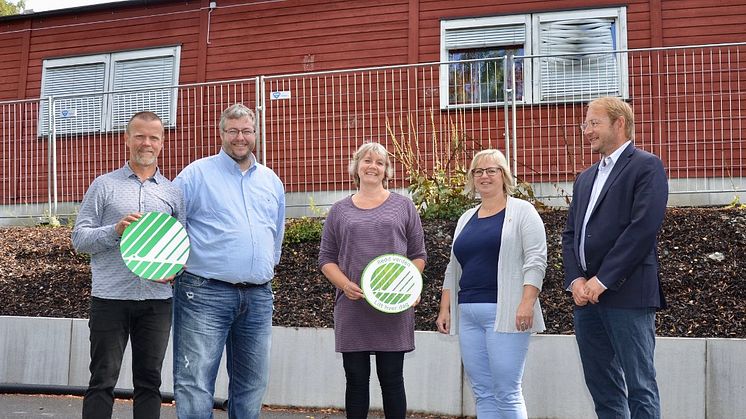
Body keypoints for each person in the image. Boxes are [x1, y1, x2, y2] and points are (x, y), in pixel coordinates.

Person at [171, 103, 286, 418]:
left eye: (246, 131)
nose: (240, 137)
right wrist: (170, 263)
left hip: (259, 296)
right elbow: (170, 222)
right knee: (195, 380)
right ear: (221, 134)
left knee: (252, 383)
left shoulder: (271, 181)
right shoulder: (196, 174)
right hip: (204, 292)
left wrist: (264, 268)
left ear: (255, 134)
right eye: (233, 130)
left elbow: (275, 234)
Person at [72, 111, 184, 419]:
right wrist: (115, 230)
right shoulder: (104, 186)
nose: (146, 143)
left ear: (162, 143)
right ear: (126, 139)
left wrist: (175, 268)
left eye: (153, 137)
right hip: (110, 299)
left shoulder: (172, 192)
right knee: (102, 380)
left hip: (156, 302)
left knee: (149, 382)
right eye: (139, 136)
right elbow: (79, 239)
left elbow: (181, 244)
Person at [562, 96, 668, 419]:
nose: (587, 131)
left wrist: (603, 279)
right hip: (587, 301)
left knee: (640, 387)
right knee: (603, 388)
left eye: (594, 123)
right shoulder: (585, 179)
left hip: (628, 295)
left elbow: (642, 230)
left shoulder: (646, 166)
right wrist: (576, 280)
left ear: (619, 124)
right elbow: (570, 236)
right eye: (585, 124)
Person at [435, 149, 547, 419]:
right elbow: (454, 266)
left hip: (506, 311)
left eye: (491, 170)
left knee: (507, 391)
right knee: (482, 391)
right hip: (468, 314)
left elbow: (536, 260)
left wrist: (526, 304)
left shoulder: (522, 211)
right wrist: (445, 308)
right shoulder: (466, 218)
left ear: (504, 175)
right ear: (472, 178)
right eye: (478, 171)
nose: (484, 176)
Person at [318, 142, 427, 419]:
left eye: (379, 162)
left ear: (386, 170)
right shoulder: (339, 211)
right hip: (353, 307)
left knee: (392, 381)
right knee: (355, 381)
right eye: (367, 161)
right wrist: (344, 284)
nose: (372, 166)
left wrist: (409, 286)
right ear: (356, 167)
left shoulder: (403, 206)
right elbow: (326, 259)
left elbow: (418, 254)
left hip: (392, 306)